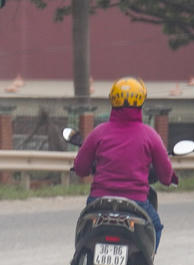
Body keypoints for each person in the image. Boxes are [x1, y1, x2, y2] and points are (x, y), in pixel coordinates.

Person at [73, 77, 179, 255]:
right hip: (136, 202)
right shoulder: (150, 136)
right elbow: (165, 175)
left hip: (99, 202)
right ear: (141, 102)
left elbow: (81, 168)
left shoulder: (98, 133)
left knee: (84, 226)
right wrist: (169, 179)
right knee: (155, 227)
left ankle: (80, 261)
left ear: (112, 100)